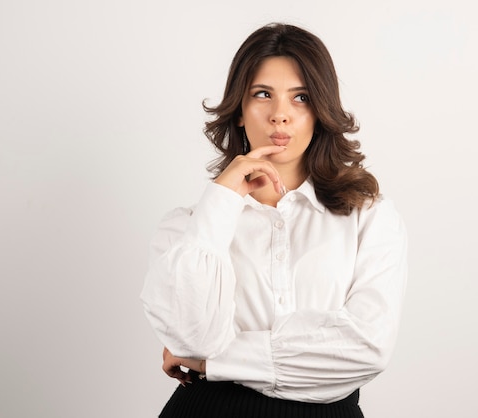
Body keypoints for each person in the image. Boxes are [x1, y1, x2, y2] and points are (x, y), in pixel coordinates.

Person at [140, 22, 407, 418]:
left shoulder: (367, 216)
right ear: (240, 111)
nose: (280, 115)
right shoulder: (189, 229)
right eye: (262, 94)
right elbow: (194, 338)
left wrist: (214, 363)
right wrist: (222, 197)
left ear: (320, 111)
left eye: (300, 97)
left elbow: (367, 349)